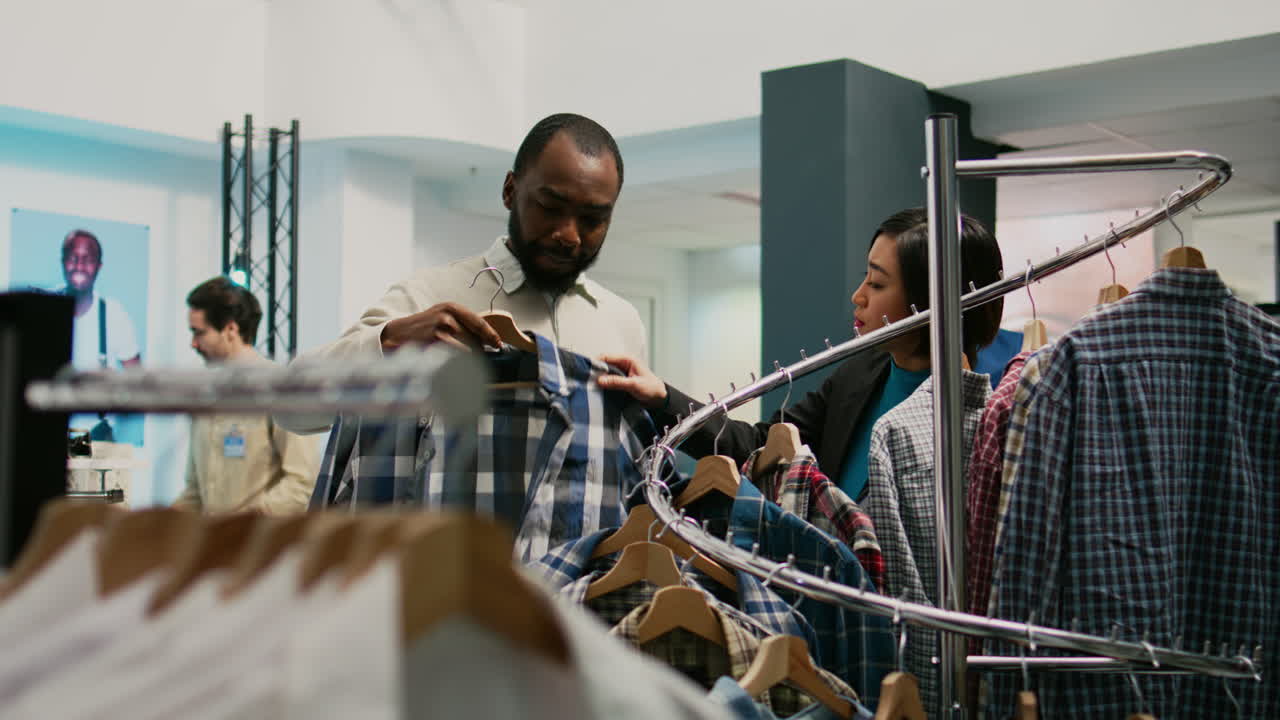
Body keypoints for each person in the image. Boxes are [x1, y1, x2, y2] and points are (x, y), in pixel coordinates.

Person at [598, 208, 1004, 501]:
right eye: (866, 277)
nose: (858, 296)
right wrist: (663, 398)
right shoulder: (860, 375)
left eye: (877, 285)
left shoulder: (981, 415)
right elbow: (761, 446)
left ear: (928, 300)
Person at [293, 112, 646, 368]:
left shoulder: (622, 322)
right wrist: (391, 339)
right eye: (550, 206)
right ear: (510, 191)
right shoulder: (429, 297)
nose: (568, 235)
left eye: (592, 219)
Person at [174, 277, 320, 514]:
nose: (193, 344)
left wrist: (239, 527)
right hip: (216, 544)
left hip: (263, 545)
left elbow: (302, 485)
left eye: (199, 333)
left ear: (231, 329)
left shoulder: (282, 388)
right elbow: (194, 493)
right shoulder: (203, 394)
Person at [59, 229, 142, 442]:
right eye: (72, 258)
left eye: (87, 259)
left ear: (99, 266)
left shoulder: (114, 314)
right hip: (46, 431)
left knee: (87, 475)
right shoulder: (43, 308)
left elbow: (138, 379)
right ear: (62, 262)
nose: (79, 266)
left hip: (93, 434)